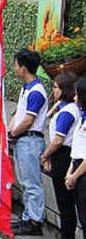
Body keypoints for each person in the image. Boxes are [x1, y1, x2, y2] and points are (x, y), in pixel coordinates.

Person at [8, 49, 47, 236]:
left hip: (30, 140)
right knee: (24, 181)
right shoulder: (27, 89)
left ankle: (35, 221)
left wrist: (14, 132)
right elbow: (18, 115)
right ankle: (27, 217)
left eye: (16, 66)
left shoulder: (37, 92)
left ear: (23, 68)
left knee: (32, 183)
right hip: (23, 140)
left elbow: (28, 120)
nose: (14, 69)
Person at [41, 72, 79, 239]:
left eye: (56, 87)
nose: (54, 90)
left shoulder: (67, 112)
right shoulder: (68, 108)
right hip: (65, 155)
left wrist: (45, 155)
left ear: (64, 89)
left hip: (63, 156)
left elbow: (58, 140)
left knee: (65, 204)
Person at [66, 78, 86, 234]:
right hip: (77, 168)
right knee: (82, 216)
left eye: (77, 95)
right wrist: (69, 173)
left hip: (82, 172)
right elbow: (77, 149)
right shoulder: (82, 118)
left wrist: (74, 176)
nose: (74, 98)